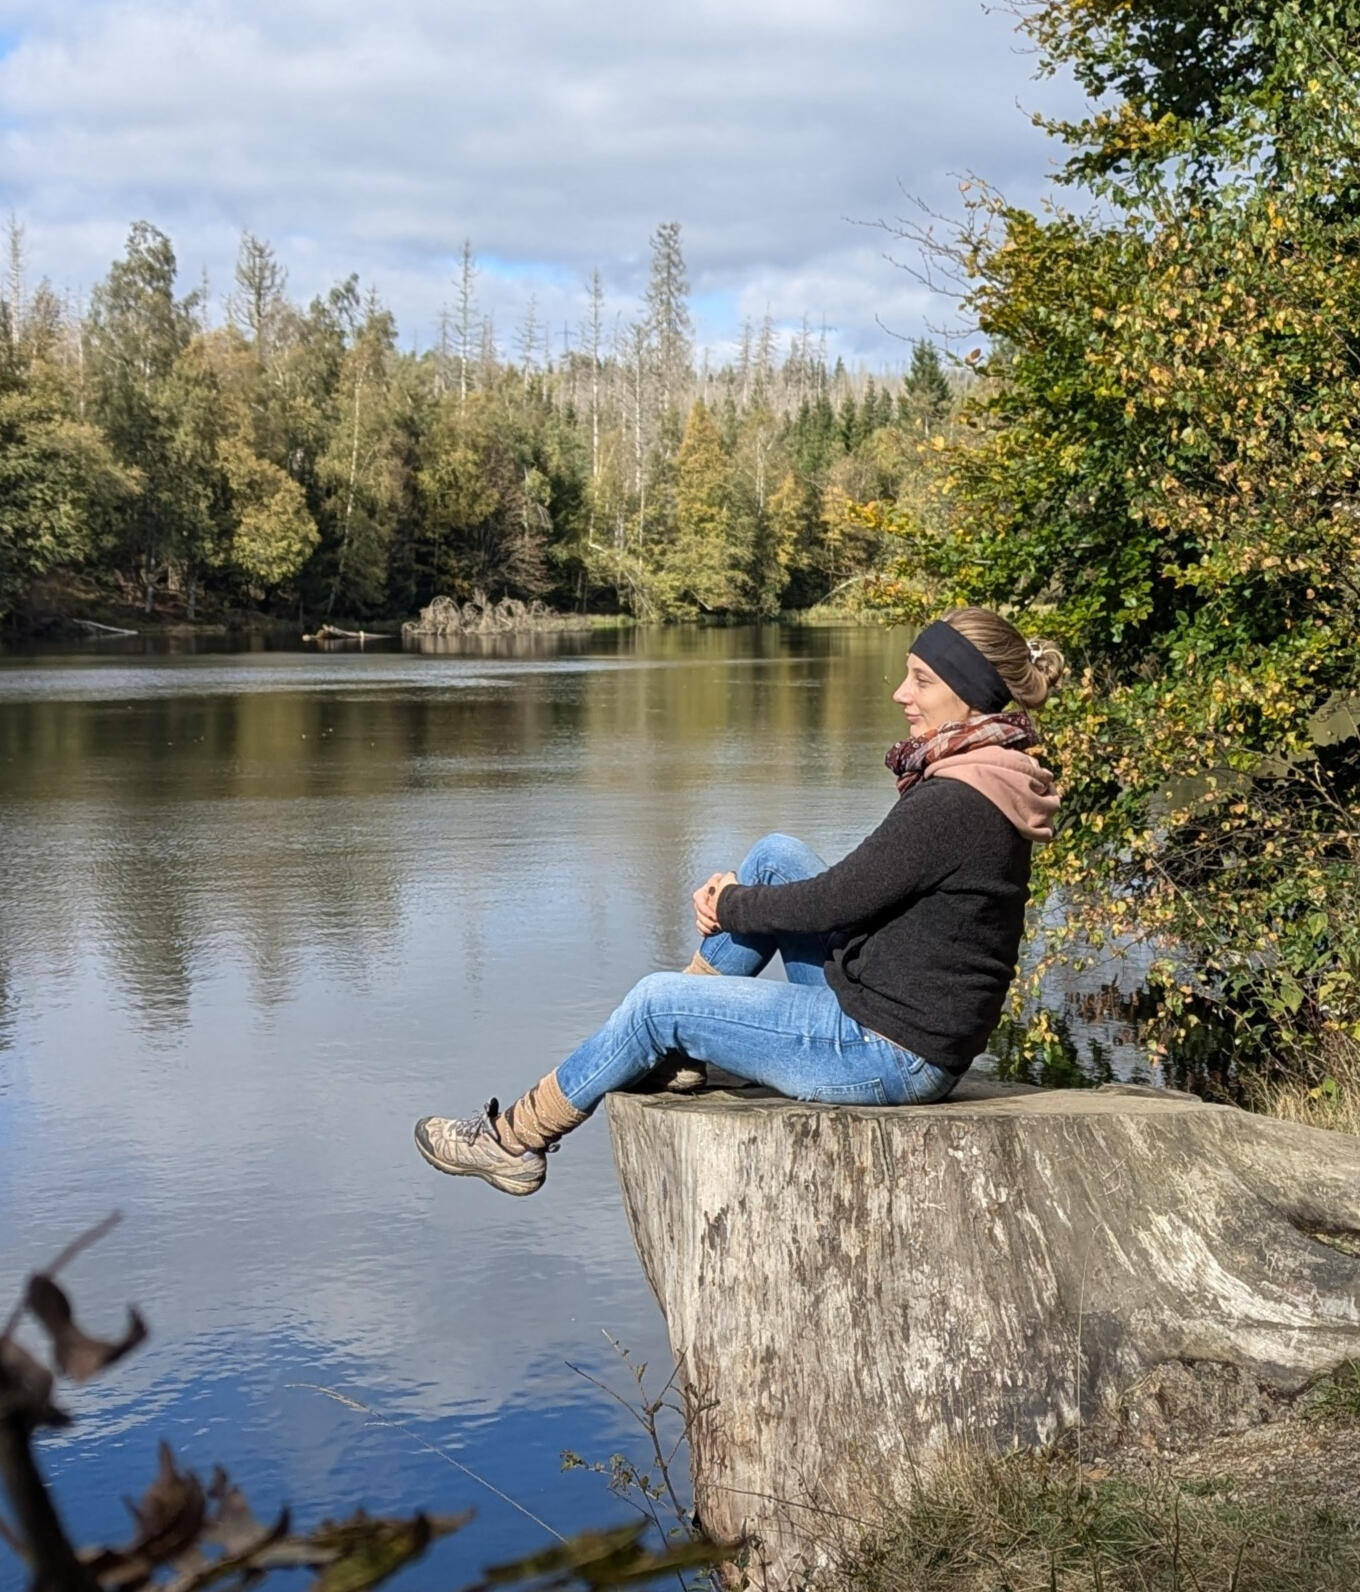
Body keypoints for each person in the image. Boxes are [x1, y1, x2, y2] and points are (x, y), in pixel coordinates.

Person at [414, 607, 1065, 1197]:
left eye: (920, 680)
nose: (901, 693)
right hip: (891, 1011)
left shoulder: (955, 802)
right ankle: (675, 1053)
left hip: (888, 1053)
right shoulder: (983, 774)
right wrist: (743, 898)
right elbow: (853, 897)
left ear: (968, 694)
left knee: (656, 1002)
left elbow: (833, 903)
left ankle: (515, 1140)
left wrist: (729, 905)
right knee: (776, 855)